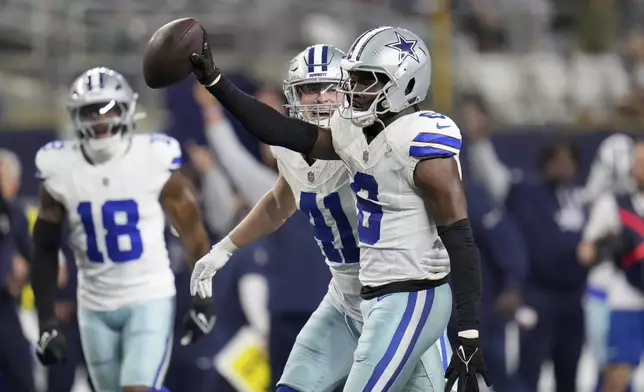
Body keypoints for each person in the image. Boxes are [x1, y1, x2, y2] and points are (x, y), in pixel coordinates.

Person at [190, 27, 489, 391]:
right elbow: (279, 188)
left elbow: (458, 234)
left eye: (331, 87)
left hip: (406, 295)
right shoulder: (331, 140)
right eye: (307, 90)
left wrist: (469, 330)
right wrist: (223, 250)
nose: (321, 99)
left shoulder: (398, 136)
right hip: (349, 298)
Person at [31, 67, 214, 392]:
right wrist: (45, 319)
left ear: (126, 110)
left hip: (148, 296)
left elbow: (192, 230)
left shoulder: (154, 157)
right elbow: (44, 247)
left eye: (108, 109)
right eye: (90, 111)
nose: (100, 120)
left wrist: (202, 300)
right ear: (76, 116)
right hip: (94, 305)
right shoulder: (59, 168)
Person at [578, 139, 644, 392]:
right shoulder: (613, 205)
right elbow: (585, 252)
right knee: (616, 378)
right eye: (637, 163)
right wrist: (608, 247)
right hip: (625, 302)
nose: (639, 168)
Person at [0, 150, 36, 392]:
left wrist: (23, 273)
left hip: (6, 308)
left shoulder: (16, 215)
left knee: (21, 374)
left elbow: (31, 258)